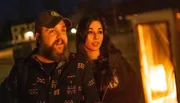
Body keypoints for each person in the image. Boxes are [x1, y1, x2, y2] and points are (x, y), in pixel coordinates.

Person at [0, 10, 100, 103]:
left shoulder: (80, 66)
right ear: (38, 38)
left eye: (63, 30)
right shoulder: (21, 71)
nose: (60, 37)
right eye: (52, 31)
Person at [76, 14, 142, 103]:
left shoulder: (115, 61)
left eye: (100, 32)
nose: (96, 37)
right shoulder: (76, 67)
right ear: (82, 34)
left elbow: (134, 88)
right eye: (90, 32)